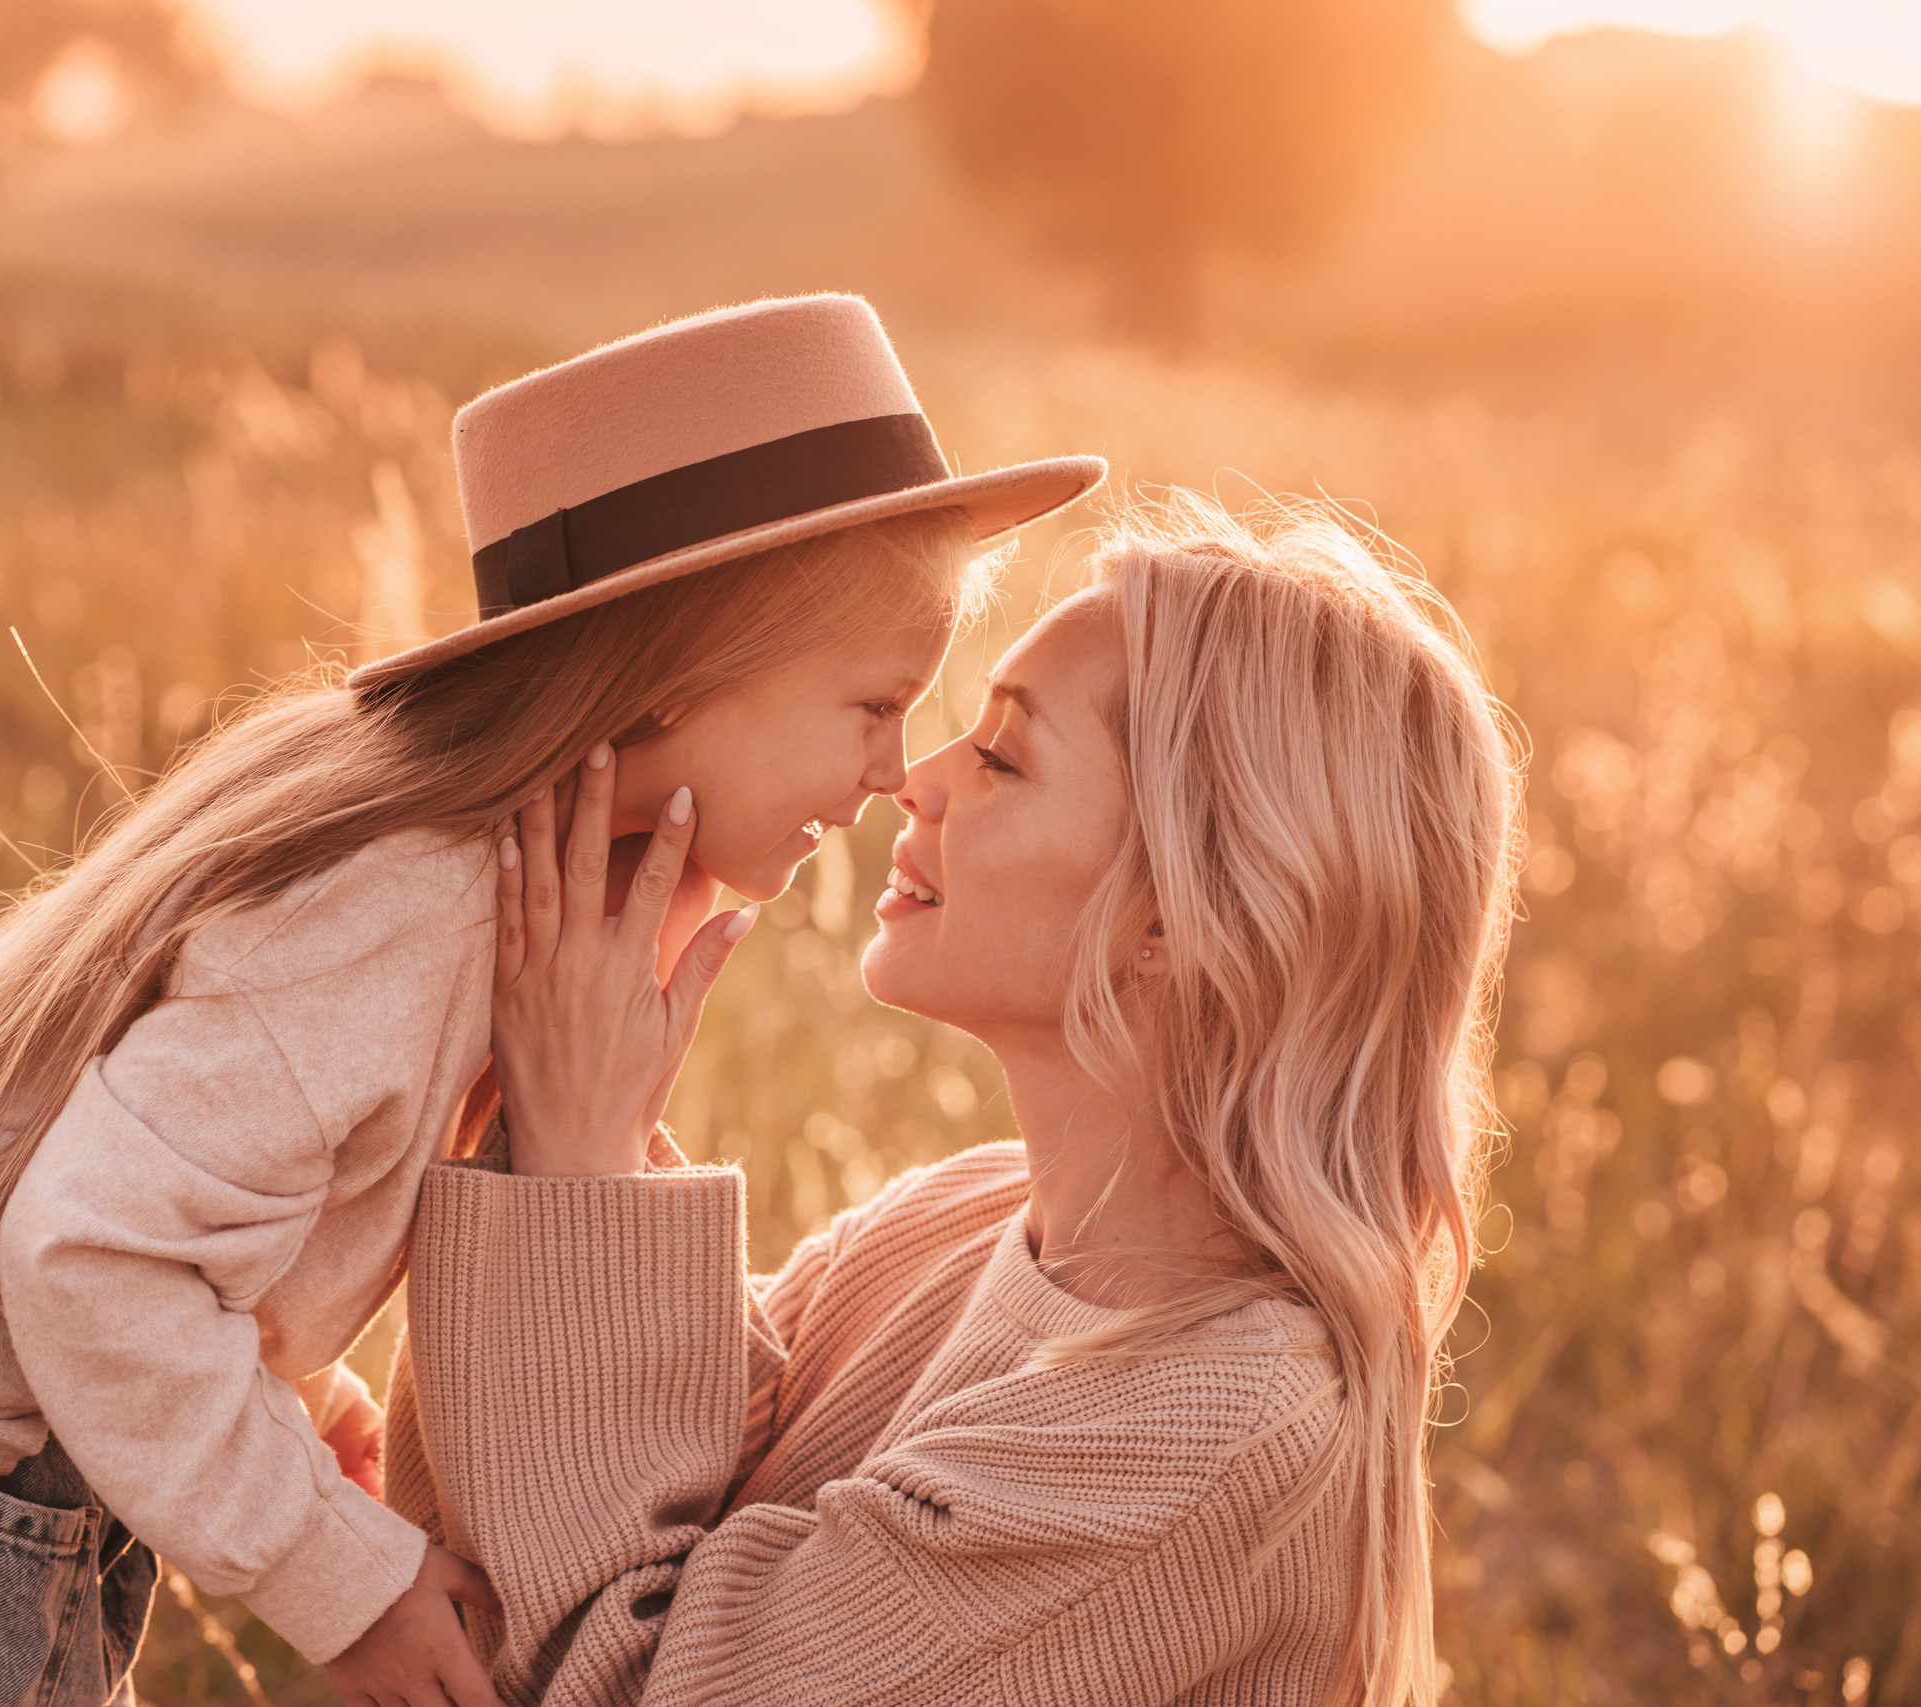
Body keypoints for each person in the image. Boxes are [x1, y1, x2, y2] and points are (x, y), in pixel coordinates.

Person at [0, 294, 1102, 1707]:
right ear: (679, 672)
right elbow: (90, 1254)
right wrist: (345, 1577)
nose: (892, 770)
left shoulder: (457, 875)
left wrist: (308, 1411)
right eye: (873, 703)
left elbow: (205, 1193)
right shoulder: (403, 905)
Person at [383, 493, 1522, 1705]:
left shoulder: (1210, 1436)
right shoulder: (960, 1218)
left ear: (1177, 919)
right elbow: (484, 1557)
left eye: (1002, 756)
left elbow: (607, 1674)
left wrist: (578, 1165)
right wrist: (554, 1115)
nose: (912, 780)